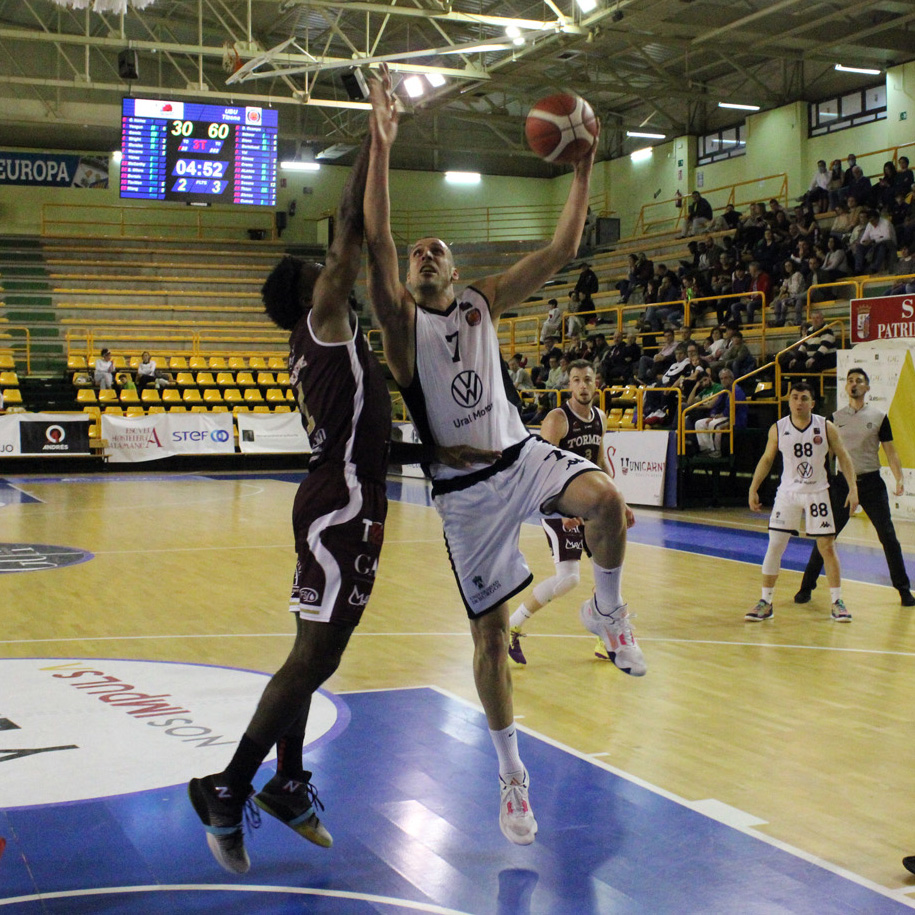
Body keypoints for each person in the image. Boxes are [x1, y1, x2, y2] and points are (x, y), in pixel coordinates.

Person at [186, 133, 493, 875]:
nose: (332, 274)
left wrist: (431, 454)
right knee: (316, 656)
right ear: (308, 290)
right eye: (316, 271)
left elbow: (366, 433)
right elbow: (352, 226)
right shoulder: (324, 317)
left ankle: (287, 781)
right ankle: (228, 786)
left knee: (310, 654)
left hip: (337, 495)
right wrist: (374, 136)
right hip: (342, 505)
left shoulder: (328, 339)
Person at [363, 67, 644, 847]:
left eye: (437, 249)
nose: (424, 252)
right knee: (488, 640)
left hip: (521, 454)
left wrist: (584, 168)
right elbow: (379, 236)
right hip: (464, 498)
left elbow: (560, 248)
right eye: (418, 251)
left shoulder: (484, 300)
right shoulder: (398, 326)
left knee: (609, 503)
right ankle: (512, 778)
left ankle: (607, 610)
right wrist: (381, 146)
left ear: (454, 272)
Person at [508, 360, 635, 665]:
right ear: (569, 385)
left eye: (588, 380)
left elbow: (601, 463)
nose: (582, 385)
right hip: (559, 507)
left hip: (591, 508)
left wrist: (619, 501)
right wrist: (563, 509)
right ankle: (512, 624)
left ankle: (605, 640)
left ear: (596, 383)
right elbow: (542, 466)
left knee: (606, 573)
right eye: (576, 380)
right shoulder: (558, 419)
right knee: (569, 580)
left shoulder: (600, 418)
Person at [795, 369, 914, 607]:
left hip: (871, 484)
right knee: (826, 537)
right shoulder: (835, 418)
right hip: (842, 485)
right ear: (845, 387)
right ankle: (806, 588)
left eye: (859, 381)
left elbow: (891, 451)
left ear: (867, 388)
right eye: (850, 381)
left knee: (888, 537)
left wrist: (899, 478)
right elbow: (824, 455)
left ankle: (904, 590)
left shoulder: (879, 416)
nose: (854, 384)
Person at [745, 382, 858, 623]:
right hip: (787, 493)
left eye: (804, 398)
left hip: (818, 492)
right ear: (788, 401)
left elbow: (844, 457)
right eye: (794, 397)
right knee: (775, 545)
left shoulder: (825, 427)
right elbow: (766, 459)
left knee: (826, 546)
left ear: (812, 402)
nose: (798, 402)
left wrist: (853, 488)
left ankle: (837, 601)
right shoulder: (778, 428)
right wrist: (754, 487)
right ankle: (766, 601)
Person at [693, 368, 747, 457]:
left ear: (731, 378)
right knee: (699, 423)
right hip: (723, 417)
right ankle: (706, 449)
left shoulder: (736, 390)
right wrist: (713, 415)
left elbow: (732, 408)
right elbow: (717, 405)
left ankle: (716, 451)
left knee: (714, 425)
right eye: (721, 378)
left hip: (735, 418)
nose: (723, 380)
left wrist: (720, 415)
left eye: (726, 378)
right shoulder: (723, 391)